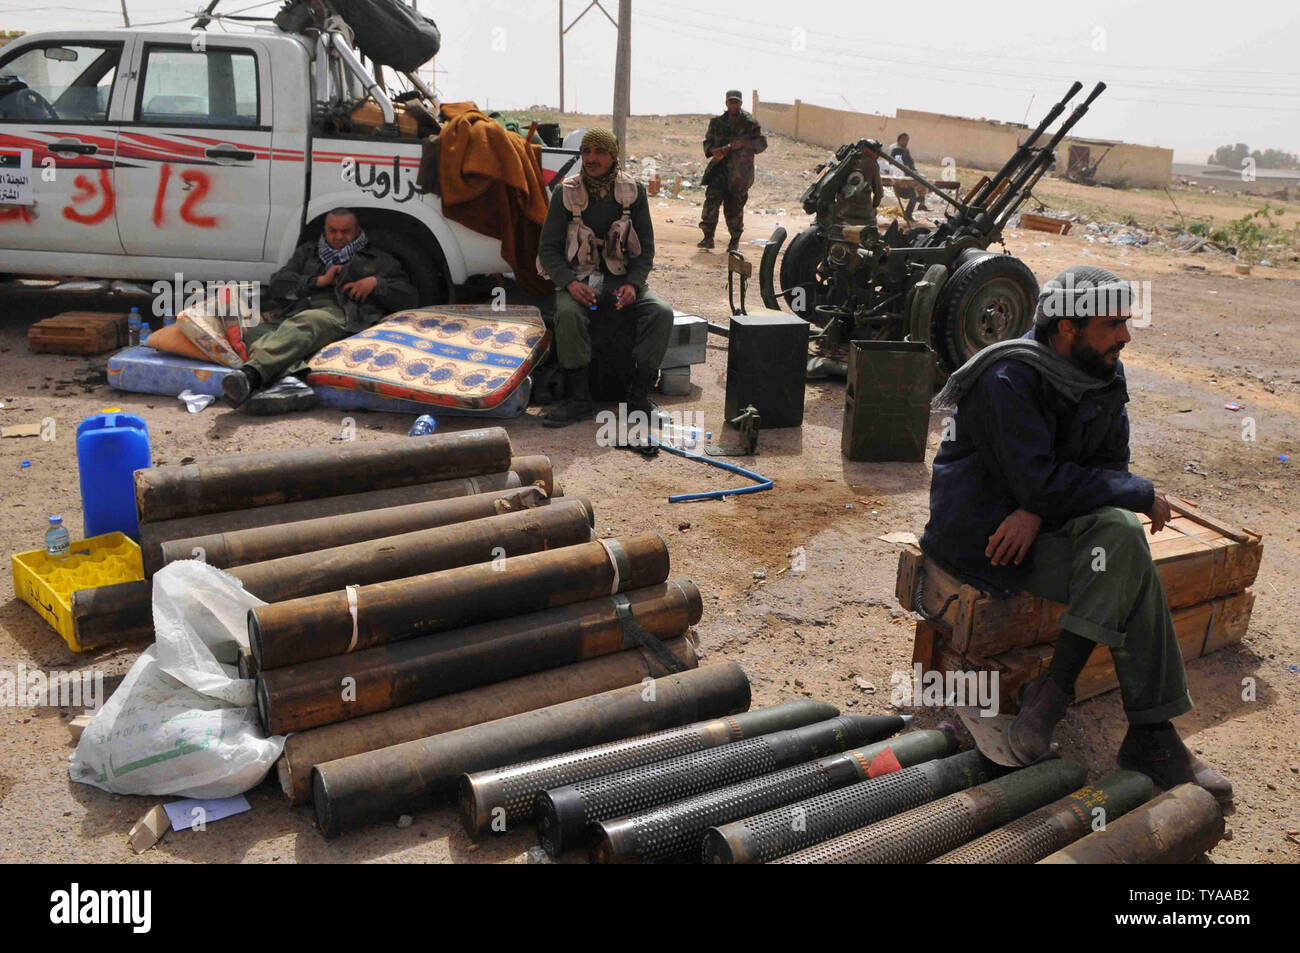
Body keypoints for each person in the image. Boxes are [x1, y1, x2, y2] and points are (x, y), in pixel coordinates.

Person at [920, 265, 1232, 805]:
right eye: (1113, 324)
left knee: (1119, 534)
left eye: (1126, 323)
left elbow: (1108, 463)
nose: (1126, 337)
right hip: (985, 535)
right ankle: (1149, 735)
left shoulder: (1103, 372)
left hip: (1039, 521)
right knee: (1128, 564)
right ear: (1067, 327)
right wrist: (1071, 496)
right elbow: (1047, 480)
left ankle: (1055, 696)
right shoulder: (1007, 378)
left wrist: (1040, 508)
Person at [536, 127, 674, 428]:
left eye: (599, 152)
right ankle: (579, 398)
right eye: (586, 152)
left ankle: (638, 395)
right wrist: (570, 284)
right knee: (569, 315)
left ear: (613, 156)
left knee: (660, 313)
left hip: (620, 279)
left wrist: (633, 285)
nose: (591, 159)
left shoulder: (632, 192)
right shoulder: (566, 193)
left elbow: (645, 251)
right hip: (578, 281)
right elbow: (548, 250)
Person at [221, 208, 418, 413]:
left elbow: (409, 296)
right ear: (324, 231)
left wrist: (375, 283)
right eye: (333, 231)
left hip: (343, 312)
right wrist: (318, 281)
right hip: (297, 311)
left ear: (357, 231)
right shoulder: (308, 252)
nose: (339, 237)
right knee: (256, 333)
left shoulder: (376, 258)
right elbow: (278, 284)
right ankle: (292, 381)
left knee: (307, 322)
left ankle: (250, 374)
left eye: (345, 231)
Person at [699, 90, 768, 252]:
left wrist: (744, 145)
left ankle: (734, 241)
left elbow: (761, 144)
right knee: (711, 203)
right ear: (726, 103)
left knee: (734, 208)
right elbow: (707, 143)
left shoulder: (749, 123)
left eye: (736, 102)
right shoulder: (717, 122)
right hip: (719, 170)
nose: (733, 105)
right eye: (731, 102)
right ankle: (708, 237)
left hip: (739, 174)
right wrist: (714, 150)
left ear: (741, 104)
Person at [888, 132, 929, 217]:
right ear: (899, 141)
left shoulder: (906, 150)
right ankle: (918, 205)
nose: (905, 142)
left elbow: (911, 164)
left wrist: (914, 171)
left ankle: (920, 204)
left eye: (907, 140)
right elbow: (898, 165)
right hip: (901, 181)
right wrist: (910, 171)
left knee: (921, 183)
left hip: (909, 178)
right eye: (903, 140)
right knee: (915, 191)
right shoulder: (896, 150)